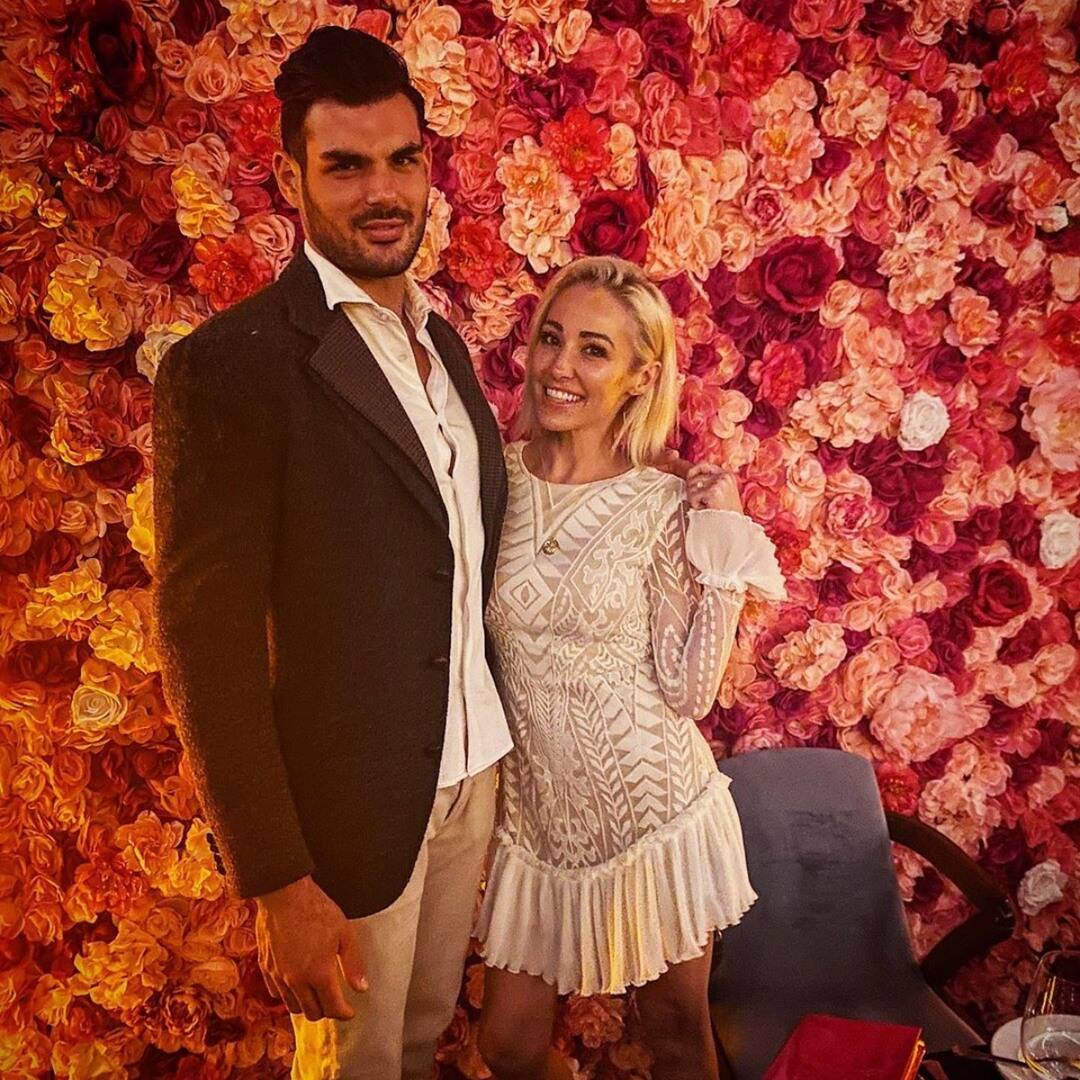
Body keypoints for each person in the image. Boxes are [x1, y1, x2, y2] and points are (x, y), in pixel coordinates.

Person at [152, 27, 513, 1080]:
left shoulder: (442, 343)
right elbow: (203, 636)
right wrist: (277, 881)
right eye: (346, 166)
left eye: (402, 159)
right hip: (349, 812)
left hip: (470, 777)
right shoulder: (231, 367)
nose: (382, 190)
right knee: (357, 1069)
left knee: (419, 1036)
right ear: (290, 179)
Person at [474, 257, 787, 1080]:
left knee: (678, 1037)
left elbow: (687, 691)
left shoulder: (664, 502)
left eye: (593, 350)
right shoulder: (492, 478)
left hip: (654, 820)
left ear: (640, 377)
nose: (560, 367)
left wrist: (721, 544)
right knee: (506, 1045)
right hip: (539, 825)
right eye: (551, 339)